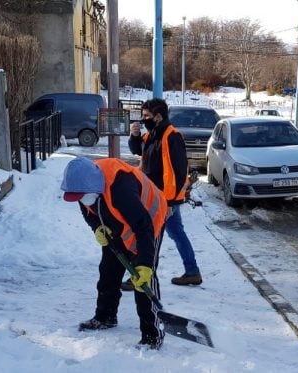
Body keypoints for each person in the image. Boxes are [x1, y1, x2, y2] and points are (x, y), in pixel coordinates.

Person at [61, 156, 168, 349]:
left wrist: (144, 263)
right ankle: (105, 317)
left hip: (150, 219)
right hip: (118, 219)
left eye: (81, 195)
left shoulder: (121, 188)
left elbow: (143, 227)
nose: (80, 199)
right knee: (109, 270)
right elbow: (87, 211)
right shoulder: (83, 187)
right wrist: (97, 228)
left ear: (93, 186)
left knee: (142, 279)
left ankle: (152, 336)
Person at [127, 98, 203, 287]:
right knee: (176, 233)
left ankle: (142, 276)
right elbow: (138, 150)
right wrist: (134, 136)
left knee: (149, 237)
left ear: (158, 117)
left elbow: (178, 171)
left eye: (147, 116)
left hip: (163, 199)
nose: (143, 120)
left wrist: (168, 202)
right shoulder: (152, 134)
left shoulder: (171, 136)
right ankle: (192, 271)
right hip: (156, 196)